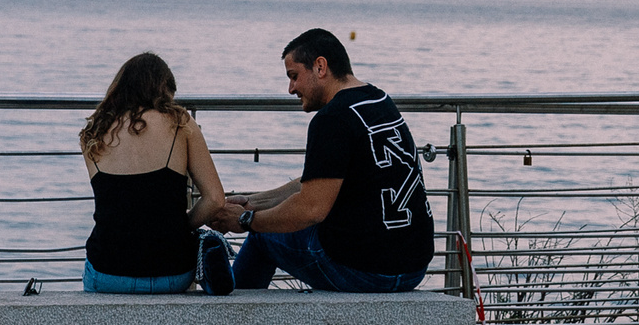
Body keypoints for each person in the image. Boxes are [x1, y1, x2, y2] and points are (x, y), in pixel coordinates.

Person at [213, 28, 434, 292]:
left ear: (320, 67)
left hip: (367, 272)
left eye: (294, 76)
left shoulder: (332, 118)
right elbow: (320, 183)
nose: (291, 89)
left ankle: (230, 316)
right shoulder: (379, 100)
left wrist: (245, 220)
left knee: (262, 237)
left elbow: (310, 209)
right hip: (413, 267)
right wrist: (253, 203)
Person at [79, 52, 235, 295]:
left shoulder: (93, 131)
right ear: (164, 91)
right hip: (172, 273)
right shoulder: (180, 123)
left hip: (107, 272)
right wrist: (180, 225)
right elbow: (215, 199)